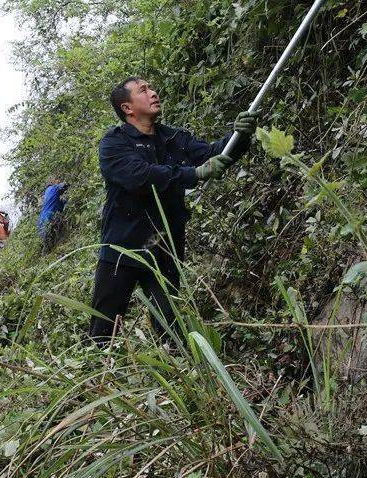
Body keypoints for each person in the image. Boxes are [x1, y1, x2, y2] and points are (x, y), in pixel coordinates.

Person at [88, 76, 257, 344]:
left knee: (169, 321)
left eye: (151, 88)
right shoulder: (114, 143)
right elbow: (140, 177)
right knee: (104, 322)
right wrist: (193, 173)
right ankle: (94, 373)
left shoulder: (173, 138)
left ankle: (179, 372)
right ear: (127, 108)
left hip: (165, 246)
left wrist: (239, 137)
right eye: (143, 90)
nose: (153, 93)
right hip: (123, 246)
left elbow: (212, 154)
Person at [37, 179, 68, 249]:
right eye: (57, 181)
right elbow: (64, 185)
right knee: (50, 240)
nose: (58, 181)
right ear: (53, 183)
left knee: (47, 243)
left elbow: (60, 204)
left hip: (41, 220)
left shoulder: (48, 194)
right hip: (48, 218)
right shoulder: (53, 188)